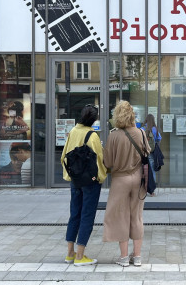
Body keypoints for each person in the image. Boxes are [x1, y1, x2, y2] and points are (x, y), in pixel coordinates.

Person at [103, 100, 151, 267]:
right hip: (138, 178)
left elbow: (108, 162)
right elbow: (147, 153)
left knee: (120, 217)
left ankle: (123, 257)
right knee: (137, 217)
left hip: (120, 180)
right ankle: (137, 256)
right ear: (132, 115)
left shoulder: (113, 135)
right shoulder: (141, 133)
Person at [62, 104, 107, 267]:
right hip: (90, 182)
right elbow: (99, 160)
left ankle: (70, 253)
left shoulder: (73, 131)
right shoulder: (92, 136)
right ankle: (80, 256)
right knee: (87, 215)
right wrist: (101, 177)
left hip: (75, 180)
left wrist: (69, 175)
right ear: (94, 119)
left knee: (74, 214)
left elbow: (64, 155)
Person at [142, 114, 162, 184]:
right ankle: (152, 185)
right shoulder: (154, 129)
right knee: (152, 169)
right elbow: (159, 138)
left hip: (143, 151)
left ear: (146, 120)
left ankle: (143, 184)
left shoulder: (142, 129)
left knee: (142, 168)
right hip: (151, 151)